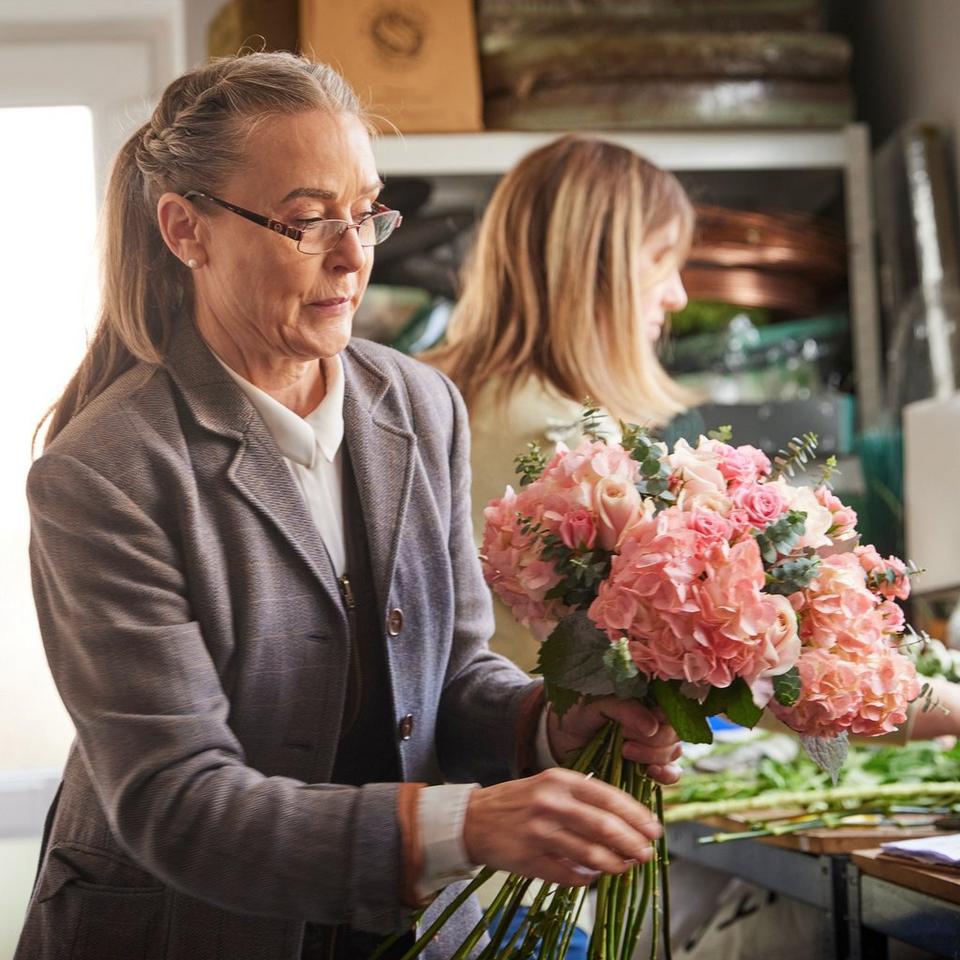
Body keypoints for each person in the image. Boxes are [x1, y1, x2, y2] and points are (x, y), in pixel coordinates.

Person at [16, 54, 682, 960]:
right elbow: (176, 801)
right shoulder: (104, 473)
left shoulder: (418, 405)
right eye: (306, 220)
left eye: (366, 211)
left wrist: (548, 725)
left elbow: (449, 675)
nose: (354, 253)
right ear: (186, 231)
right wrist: (464, 825)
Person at [425, 134, 697, 672]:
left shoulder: (424, 391)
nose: (678, 295)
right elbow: (639, 663)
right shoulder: (568, 441)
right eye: (661, 262)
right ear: (595, 269)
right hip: (535, 746)